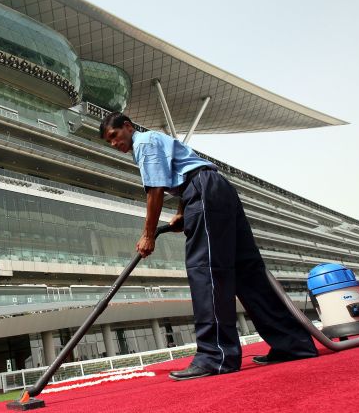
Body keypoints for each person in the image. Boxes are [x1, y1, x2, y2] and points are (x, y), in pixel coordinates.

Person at [99, 113, 317, 381]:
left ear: (128, 127)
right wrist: (181, 212)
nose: (114, 144)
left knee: (206, 271)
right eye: (108, 141)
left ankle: (216, 356)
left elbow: (155, 189)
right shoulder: (156, 140)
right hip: (217, 188)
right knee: (248, 272)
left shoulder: (143, 144)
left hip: (204, 190)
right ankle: (293, 343)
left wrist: (148, 235)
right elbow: (183, 172)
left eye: (114, 136)